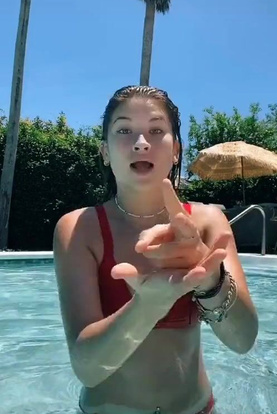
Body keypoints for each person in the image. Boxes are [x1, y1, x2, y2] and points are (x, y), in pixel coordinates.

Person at [53, 86, 258, 414]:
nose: (140, 142)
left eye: (156, 130)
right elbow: (88, 370)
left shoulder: (208, 222)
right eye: (124, 130)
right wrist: (147, 307)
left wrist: (210, 283)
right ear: (105, 151)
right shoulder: (80, 229)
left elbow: (242, 341)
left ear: (175, 150)